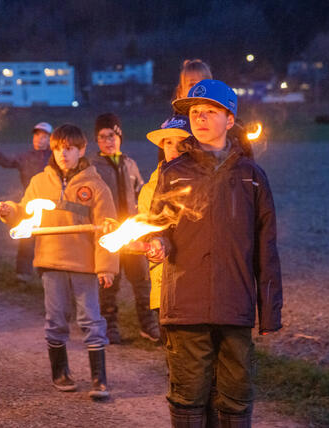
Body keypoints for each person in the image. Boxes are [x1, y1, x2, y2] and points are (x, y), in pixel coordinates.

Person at [147, 79, 283, 427]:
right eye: (194, 112)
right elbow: (157, 226)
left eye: (210, 111)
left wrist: (269, 313)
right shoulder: (172, 173)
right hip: (185, 309)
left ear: (230, 120)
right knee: (188, 398)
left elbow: (266, 246)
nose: (200, 118)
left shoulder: (252, 177)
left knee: (235, 399)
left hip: (234, 307)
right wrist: (156, 244)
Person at [0, 124, 118, 399]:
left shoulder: (96, 186)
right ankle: (60, 373)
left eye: (70, 148)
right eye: (58, 148)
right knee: (56, 319)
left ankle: (99, 379)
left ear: (81, 150)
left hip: (84, 265)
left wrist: (106, 266)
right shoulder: (40, 182)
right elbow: (25, 214)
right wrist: (9, 211)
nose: (63, 154)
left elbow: (108, 229)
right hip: (50, 262)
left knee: (91, 320)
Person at [88, 113, 160, 344]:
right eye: (102, 137)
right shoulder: (92, 167)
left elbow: (140, 193)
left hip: (132, 235)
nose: (108, 141)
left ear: (120, 136)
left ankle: (148, 325)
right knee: (110, 283)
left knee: (141, 281)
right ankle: (110, 326)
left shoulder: (130, 164)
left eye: (112, 136)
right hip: (109, 236)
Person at [0, 122, 53, 282]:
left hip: (50, 205)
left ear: (50, 139)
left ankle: (48, 276)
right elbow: (6, 162)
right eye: (37, 136)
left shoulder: (55, 158)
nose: (39, 140)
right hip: (29, 204)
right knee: (26, 241)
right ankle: (22, 276)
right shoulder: (25, 157)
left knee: (49, 242)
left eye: (44, 137)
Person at [137, 115, 190, 321]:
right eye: (168, 142)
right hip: (165, 287)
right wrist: (152, 244)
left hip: (198, 286)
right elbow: (146, 233)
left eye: (181, 143)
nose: (174, 149)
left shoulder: (203, 184)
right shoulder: (150, 189)